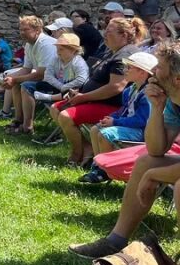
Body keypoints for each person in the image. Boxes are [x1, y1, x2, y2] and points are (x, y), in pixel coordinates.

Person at [68, 40, 180, 259]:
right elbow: (156, 149)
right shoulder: (173, 101)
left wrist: (154, 175)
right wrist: (156, 109)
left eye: (158, 68)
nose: (152, 73)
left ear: (177, 79)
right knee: (146, 161)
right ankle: (115, 241)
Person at [49, 17, 144, 167]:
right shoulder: (112, 51)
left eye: (109, 32)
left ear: (124, 35)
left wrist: (83, 97)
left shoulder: (125, 54)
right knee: (56, 108)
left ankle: (77, 154)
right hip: (93, 100)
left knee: (66, 116)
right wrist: (78, 92)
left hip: (113, 107)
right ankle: (86, 147)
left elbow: (116, 87)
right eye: (105, 31)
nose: (104, 35)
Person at [79, 51, 157, 184]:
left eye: (129, 67)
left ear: (142, 73)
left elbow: (142, 121)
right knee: (95, 129)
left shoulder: (147, 95)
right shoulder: (130, 89)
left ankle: (107, 170)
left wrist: (115, 122)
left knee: (105, 134)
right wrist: (110, 118)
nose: (125, 70)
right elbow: (124, 110)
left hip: (142, 132)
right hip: (130, 127)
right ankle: (98, 166)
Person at [18, 33, 89, 135]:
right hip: (58, 87)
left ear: (73, 50)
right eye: (57, 49)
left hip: (72, 91)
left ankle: (49, 98)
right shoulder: (56, 59)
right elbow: (47, 75)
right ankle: (27, 124)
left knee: (69, 92)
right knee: (26, 86)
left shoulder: (78, 63)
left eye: (61, 49)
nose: (58, 52)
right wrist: (61, 86)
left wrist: (65, 87)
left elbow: (81, 80)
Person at [0, 16, 57, 134]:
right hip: (46, 78)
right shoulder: (29, 44)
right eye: (20, 30)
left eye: (25, 30)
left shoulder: (46, 44)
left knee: (26, 86)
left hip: (58, 83)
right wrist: (10, 79)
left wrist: (14, 79)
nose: (22, 33)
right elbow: (26, 69)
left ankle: (28, 126)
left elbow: (41, 74)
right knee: (16, 83)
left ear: (37, 30)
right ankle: (18, 120)